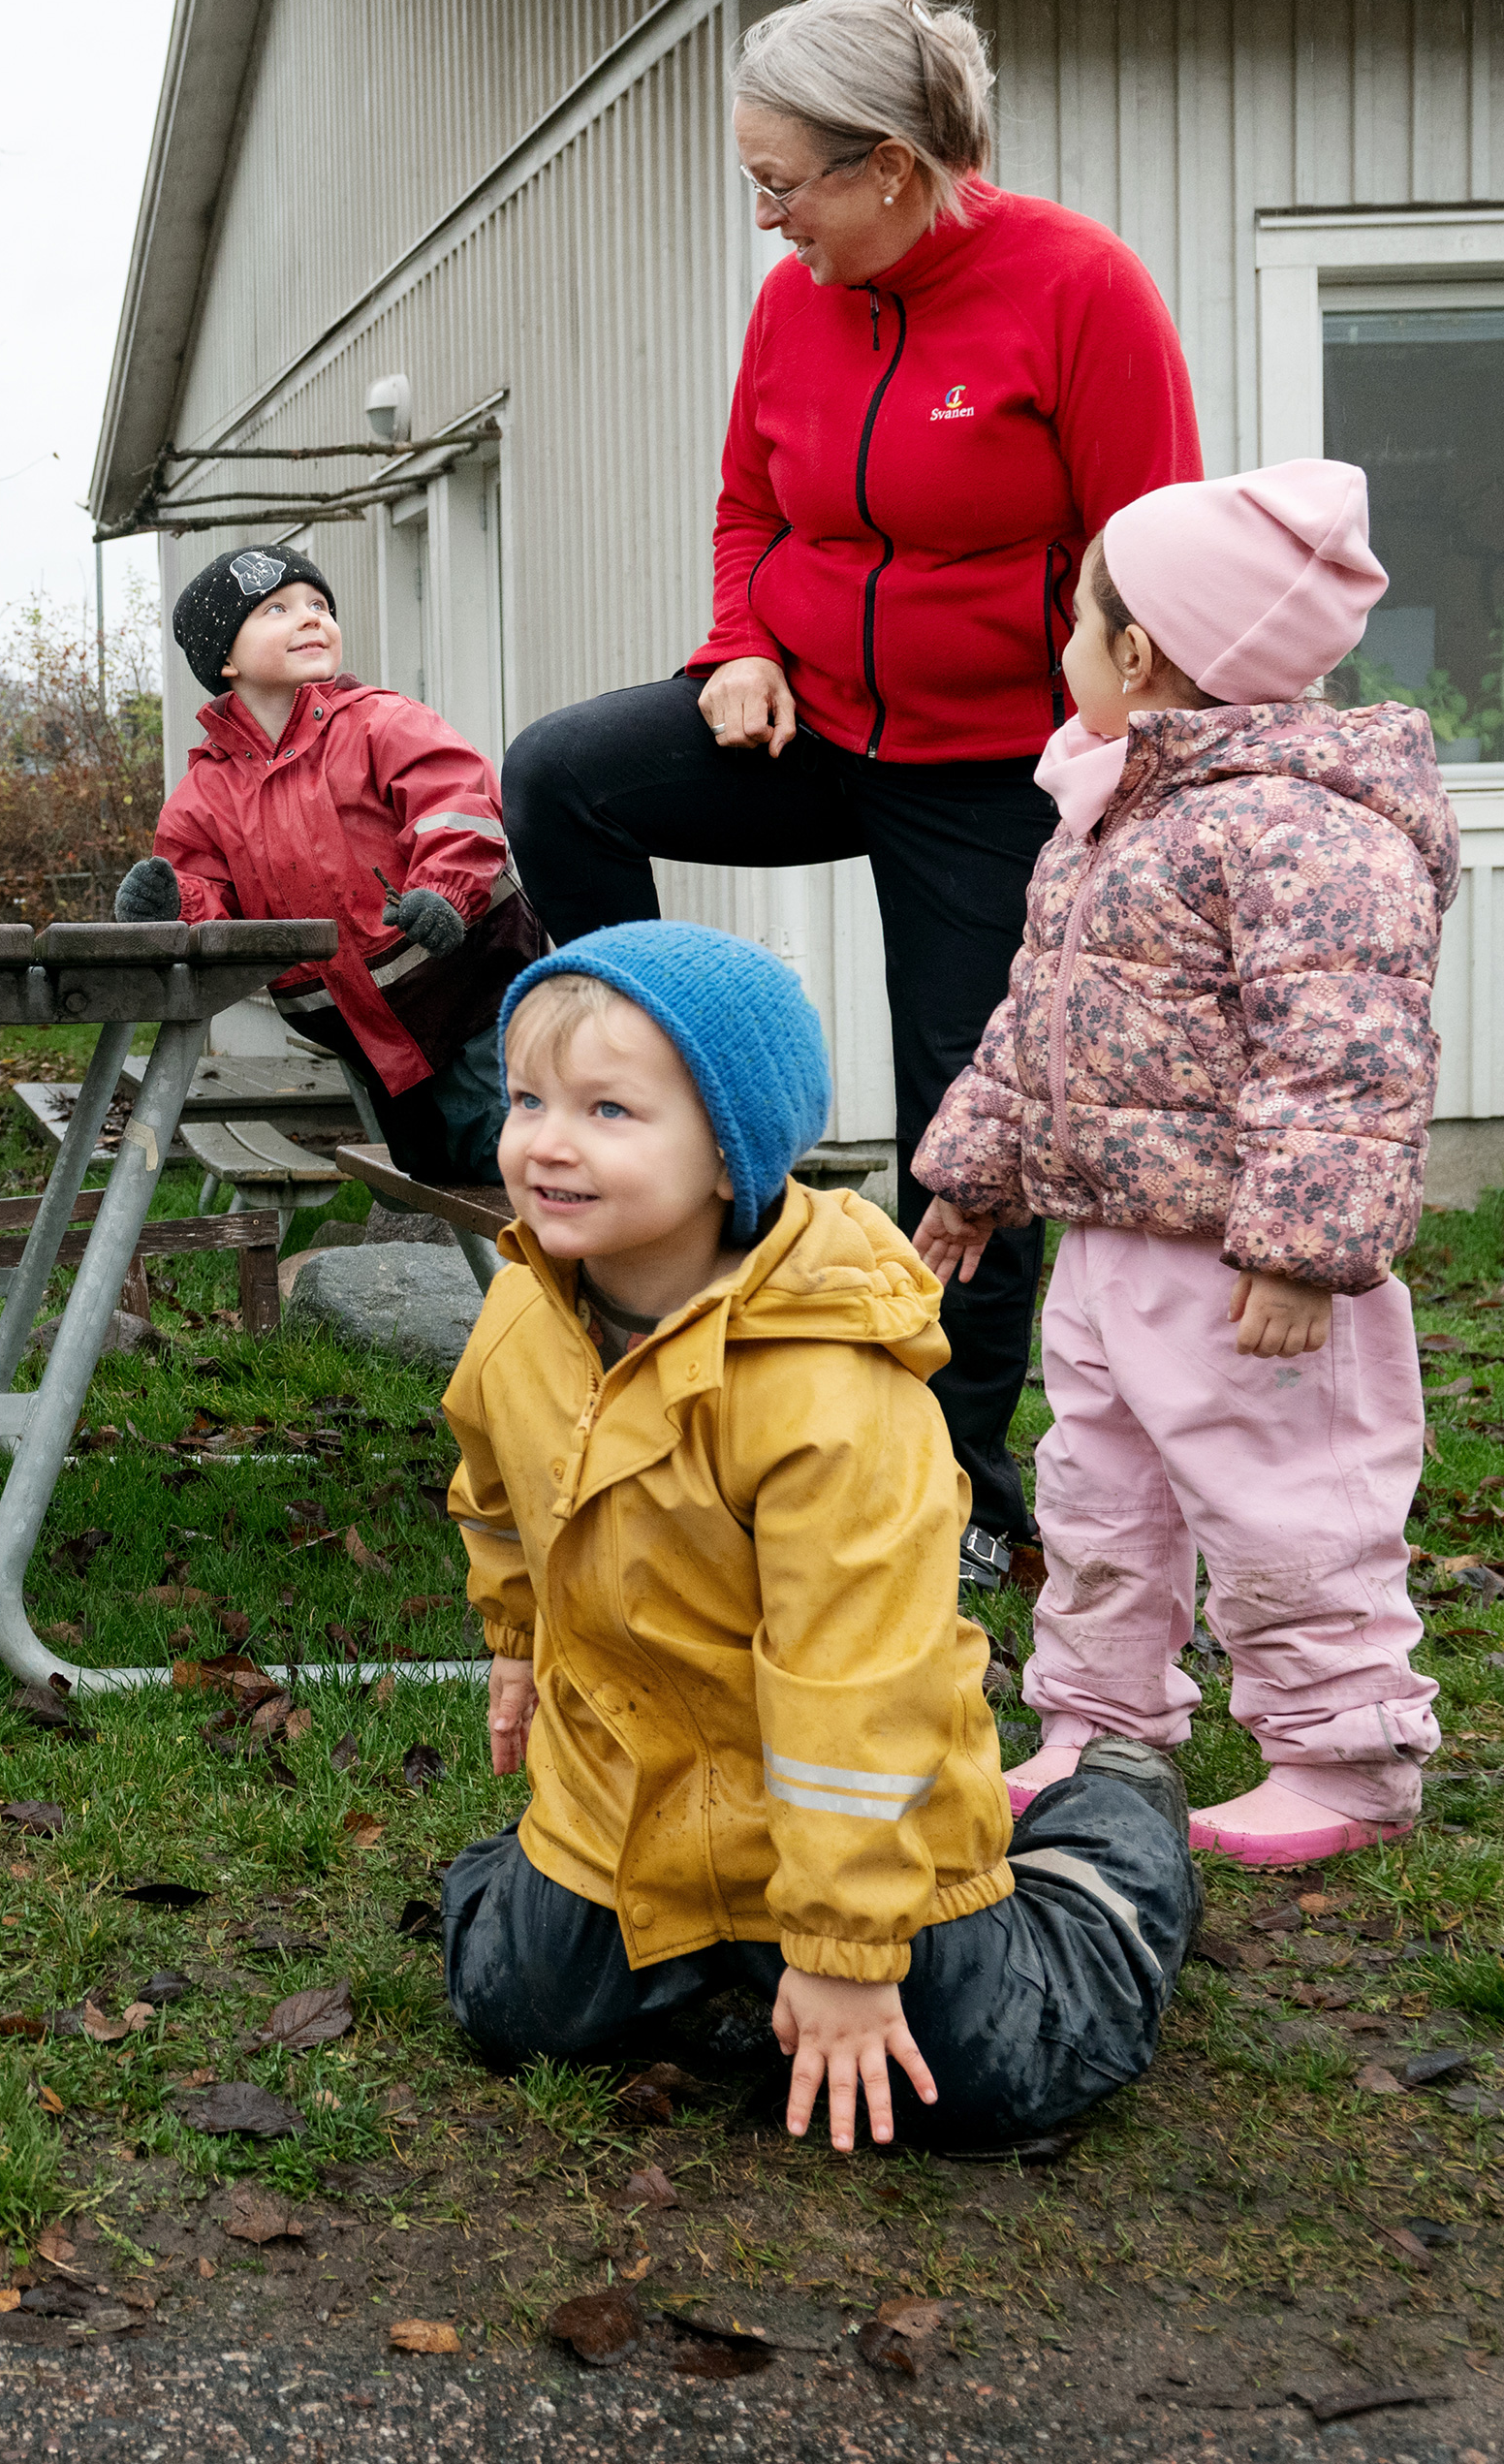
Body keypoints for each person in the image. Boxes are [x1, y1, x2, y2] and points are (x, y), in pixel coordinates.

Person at [495, 0, 1204, 1588]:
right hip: (805, 721)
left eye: (784, 184)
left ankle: (953, 1481)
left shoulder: (1079, 288)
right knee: (562, 776)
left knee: (968, 1113)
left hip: (991, 763)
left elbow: (1147, 556)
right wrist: (738, 643)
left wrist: (1113, 775)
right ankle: (668, 1165)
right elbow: (753, 502)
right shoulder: (795, 301)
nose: (770, 222)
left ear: (889, 166)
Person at [435, 921, 1197, 2151]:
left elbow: (860, 1684)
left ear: (727, 1152)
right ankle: (651, 1930)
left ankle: (1107, 1827)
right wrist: (518, 1638)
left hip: (865, 1821)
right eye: (528, 1100)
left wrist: (847, 1947)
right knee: (507, 2006)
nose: (546, 1141)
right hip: (630, 1804)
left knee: (991, 2080)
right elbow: (497, 1493)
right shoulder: (522, 1312)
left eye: (608, 1110)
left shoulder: (829, 1391)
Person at [915, 462, 1454, 1871]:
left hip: (1245, 1267)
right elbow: (1040, 1017)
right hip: (1108, 1247)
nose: (1064, 647)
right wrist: (975, 1171)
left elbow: (1348, 1051)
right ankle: (1100, 1723)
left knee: (1292, 1498)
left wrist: (1301, 1251)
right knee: (1099, 1493)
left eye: (1077, 622)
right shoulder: (1119, 807)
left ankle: (1343, 1753)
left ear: (1139, 651)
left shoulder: (1304, 826)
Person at [115, 543, 543, 1185]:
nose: (311, 617)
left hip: (473, 987)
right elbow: (206, 894)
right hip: (365, 1034)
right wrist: (173, 904)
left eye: (319, 604)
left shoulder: (381, 722)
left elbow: (458, 801)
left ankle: (610, 1236)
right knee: (436, 1171)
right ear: (226, 659)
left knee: (519, 1154)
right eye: (277, 609)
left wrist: (445, 888)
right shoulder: (206, 793)